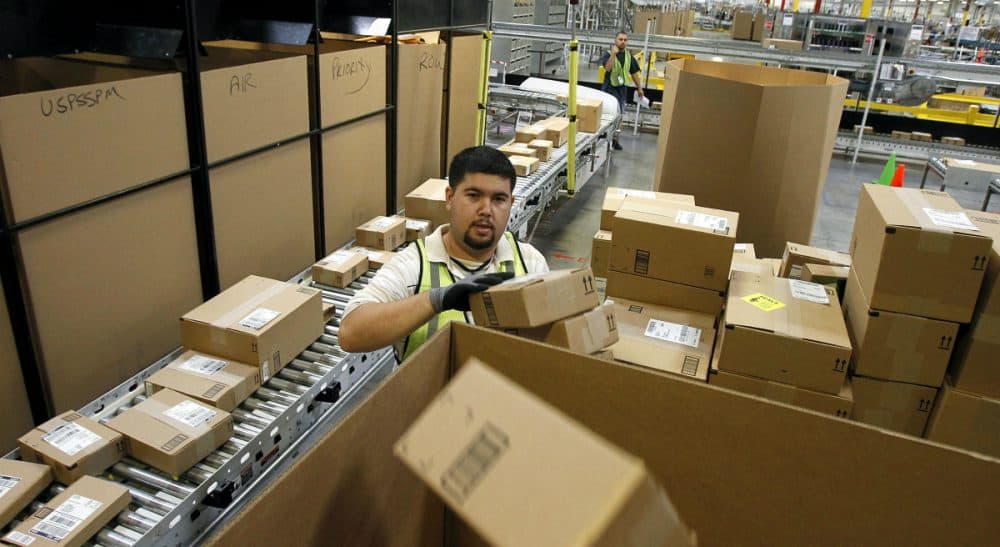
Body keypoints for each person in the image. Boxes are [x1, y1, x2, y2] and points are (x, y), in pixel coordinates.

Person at [339, 146, 550, 360]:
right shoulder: (414, 266)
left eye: (498, 199)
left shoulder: (530, 263)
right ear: (450, 198)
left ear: (511, 204)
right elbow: (350, 334)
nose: (486, 209)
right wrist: (436, 300)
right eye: (474, 195)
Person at [600, 31, 645, 151]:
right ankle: (603, 140)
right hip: (609, 89)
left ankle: (615, 140)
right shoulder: (608, 54)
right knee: (607, 115)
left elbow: (634, 73)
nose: (623, 42)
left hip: (622, 91)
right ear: (615, 40)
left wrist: (639, 88)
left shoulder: (629, 56)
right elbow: (608, 68)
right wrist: (613, 55)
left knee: (620, 116)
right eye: (620, 39)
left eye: (625, 40)